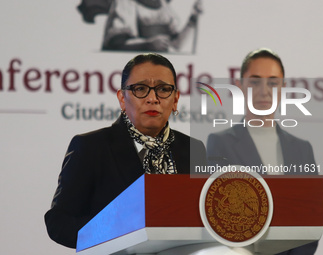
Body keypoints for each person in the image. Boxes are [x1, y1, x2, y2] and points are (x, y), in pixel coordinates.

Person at [45, 53, 206, 248]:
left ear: (175, 99)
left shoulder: (193, 149)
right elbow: (59, 223)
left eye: (163, 89)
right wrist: (118, 230)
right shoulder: (91, 147)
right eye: (140, 89)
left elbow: (203, 218)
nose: (152, 98)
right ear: (122, 98)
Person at [207, 48, 318, 254]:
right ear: (240, 86)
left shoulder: (302, 149)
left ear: (283, 87)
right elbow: (218, 219)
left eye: (273, 82)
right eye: (255, 81)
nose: (264, 90)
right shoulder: (220, 143)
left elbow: (311, 222)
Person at [102, 0, 202, 53]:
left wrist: (193, 19)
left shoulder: (163, 5)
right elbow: (116, 44)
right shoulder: (125, 3)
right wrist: (147, 45)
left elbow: (175, 45)